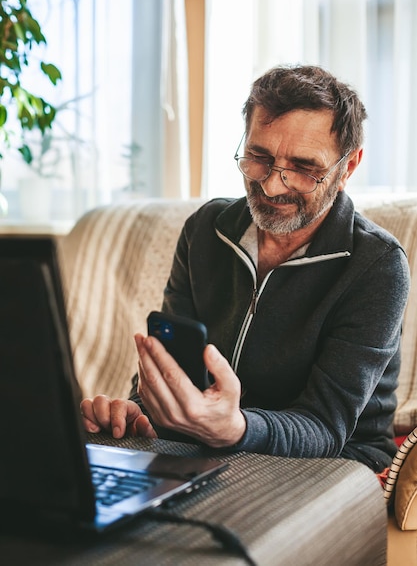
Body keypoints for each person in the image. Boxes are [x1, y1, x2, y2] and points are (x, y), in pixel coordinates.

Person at [81, 64, 410, 472]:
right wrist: (137, 412)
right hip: (206, 444)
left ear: (348, 167)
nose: (273, 185)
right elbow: (174, 370)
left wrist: (236, 429)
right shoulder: (206, 230)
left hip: (335, 461)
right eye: (259, 157)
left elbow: (326, 426)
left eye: (305, 168)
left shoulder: (377, 266)